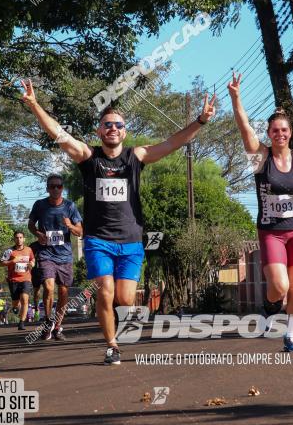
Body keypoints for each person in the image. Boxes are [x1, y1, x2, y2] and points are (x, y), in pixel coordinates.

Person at [19, 78, 216, 365]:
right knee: (106, 291)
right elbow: (59, 134)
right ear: (99, 131)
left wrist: (200, 121)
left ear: (125, 132)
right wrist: (35, 104)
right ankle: (112, 345)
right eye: (107, 124)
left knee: (124, 299)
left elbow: (172, 143)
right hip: (99, 241)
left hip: (132, 241)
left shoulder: (136, 157)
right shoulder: (89, 157)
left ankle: (115, 325)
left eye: (118, 125)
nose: (113, 128)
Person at [228, 72, 293, 352]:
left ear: (290, 133)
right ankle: (270, 305)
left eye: (284, 130)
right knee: (280, 286)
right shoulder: (261, 158)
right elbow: (244, 127)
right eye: (275, 131)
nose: (280, 134)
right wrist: (236, 97)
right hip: (271, 232)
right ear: (269, 134)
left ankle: (291, 336)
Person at [28, 174, 83, 340]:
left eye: (59, 186)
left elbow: (80, 231)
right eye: (52, 186)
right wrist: (38, 234)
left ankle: (57, 326)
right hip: (46, 253)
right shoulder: (40, 205)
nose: (56, 189)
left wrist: (70, 225)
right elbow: (30, 224)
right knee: (49, 287)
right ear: (47, 188)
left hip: (65, 256)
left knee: (63, 292)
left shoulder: (70, 206)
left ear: (62, 188)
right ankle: (47, 322)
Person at [0, 231, 35, 330]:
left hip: (26, 278)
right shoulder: (9, 251)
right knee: (15, 303)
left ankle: (22, 322)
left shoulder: (28, 250)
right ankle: (16, 307)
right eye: (17, 237)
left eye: (20, 237)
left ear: (24, 239)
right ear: (14, 239)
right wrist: (12, 261)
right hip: (13, 280)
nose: (19, 239)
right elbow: (1, 263)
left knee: (25, 299)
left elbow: (32, 259)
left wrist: (32, 264)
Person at [28, 239, 43, 321]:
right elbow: (29, 258)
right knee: (37, 291)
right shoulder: (33, 245)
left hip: (47, 269)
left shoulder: (51, 243)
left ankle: (48, 313)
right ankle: (36, 308)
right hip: (36, 271)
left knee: (48, 288)